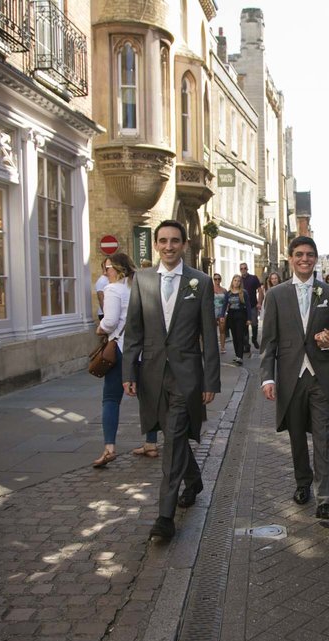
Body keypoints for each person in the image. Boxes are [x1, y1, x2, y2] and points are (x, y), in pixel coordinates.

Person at [122, 221, 220, 542]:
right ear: (156, 244)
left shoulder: (200, 282)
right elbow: (134, 331)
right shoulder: (142, 279)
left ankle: (165, 517)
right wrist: (128, 373)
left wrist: (210, 381)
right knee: (170, 434)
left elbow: (208, 335)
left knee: (174, 439)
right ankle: (194, 480)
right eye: (162, 241)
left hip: (186, 376)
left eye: (174, 241)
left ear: (184, 244)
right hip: (151, 375)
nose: (168, 246)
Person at [259, 236, 329, 522]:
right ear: (290, 258)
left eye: (309, 254)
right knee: (296, 435)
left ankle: (325, 500)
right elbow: (268, 341)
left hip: (320, 375)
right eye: (299, 254)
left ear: (316, 258)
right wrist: (267, 379)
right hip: (289, 376)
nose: (304, 259)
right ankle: (302, 482)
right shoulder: (276, 294)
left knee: (321, 439)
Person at [91, 252, 158, 467]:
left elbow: (109, 322)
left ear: (118, 269)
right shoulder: (139, 286)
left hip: (120, 349)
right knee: (147, 397)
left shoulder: (113, 289)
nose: (105, 272)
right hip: (143, 349)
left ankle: (109, 448)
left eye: (108, 267)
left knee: (110, 398)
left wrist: (100, 328)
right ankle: (151, 443)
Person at [222, 275, 250, 366]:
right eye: (235, 280)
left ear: (240, 283)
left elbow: (248, 306)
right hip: (231, 315)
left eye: (238, 281)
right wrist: (222, 315)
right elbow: (224, 304)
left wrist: (249, 319)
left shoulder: (243, 292)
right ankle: (237, 355)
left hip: (241, 316)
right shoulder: (228, 293)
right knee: (234, 336)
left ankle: (240, 357)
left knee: (239, 336)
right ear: (232, 281)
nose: (236, 282)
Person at [239, 262, 263, 353]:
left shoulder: (253, 278)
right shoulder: (239, 280)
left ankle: (254, 339)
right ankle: (246, 345)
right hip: (243, 307)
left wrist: (259, 302)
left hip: (253, 305)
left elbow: (260, 291)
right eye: (241, 269)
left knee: (254, 324)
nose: (243, 270)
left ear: (247, 269)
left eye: (245, 268)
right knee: (244, 326)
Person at [212, 273, 227, 355]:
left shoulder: (224, 290)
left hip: (222, 311)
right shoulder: (210, 289)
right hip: (213, 311)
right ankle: (214, 347)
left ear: (220, 280)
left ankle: (222, 347)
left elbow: (226, 301)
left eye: (218, 279)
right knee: (213, 330)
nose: (217, 280)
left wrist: (225, 311)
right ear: (213, 280)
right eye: (215, 279)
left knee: (222, 329)